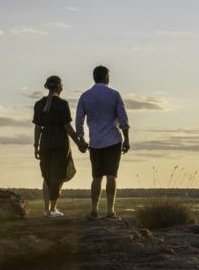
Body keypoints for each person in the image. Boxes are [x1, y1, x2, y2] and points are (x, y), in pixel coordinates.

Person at [75, 65, 130, 219]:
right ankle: (111, 211)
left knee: (96, 176)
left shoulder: (85, 96)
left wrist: (81, 138)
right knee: (112, 175)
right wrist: (126, 139)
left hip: (95, 141)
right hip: (113, 140)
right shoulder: (114, 94)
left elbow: (79, 120)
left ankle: (94, 210)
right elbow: (123, 118)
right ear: (106, 77)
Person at [33, 75, 88, 217]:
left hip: (45, 141)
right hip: (60, 142)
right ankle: (52, 209)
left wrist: (36, 145)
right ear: (59, 87)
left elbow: (38, 127)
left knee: (46, 176)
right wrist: (79, 143)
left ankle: (46, 210)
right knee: (58, 175)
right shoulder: (62, 104)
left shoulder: (39, 104)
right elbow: (67, 127)